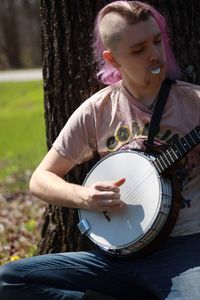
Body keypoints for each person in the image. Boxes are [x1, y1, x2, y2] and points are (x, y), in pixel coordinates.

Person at [0, 1, 200, 299]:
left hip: (184, 250)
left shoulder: (193, 103)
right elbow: (40, 179)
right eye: (138, 49)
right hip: (113, 257)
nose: (154, 54)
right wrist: (86, 197)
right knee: (10, 281)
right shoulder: (98, 110)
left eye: (157, 41)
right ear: (113, 58)